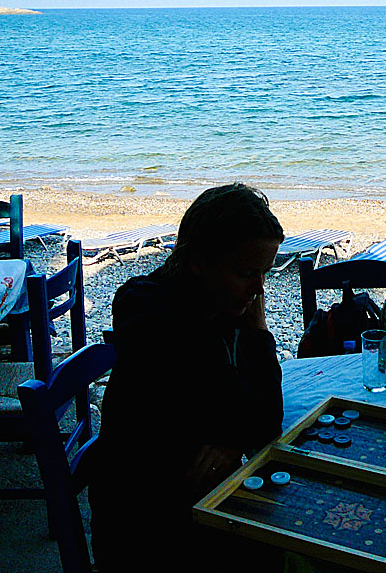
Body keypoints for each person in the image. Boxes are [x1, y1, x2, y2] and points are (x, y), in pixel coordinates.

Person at [89, 183, 286, 572]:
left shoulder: (221, 305)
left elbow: (258, 418)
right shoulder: (151, 315)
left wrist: (231, 434)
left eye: (264, 273)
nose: (259, 290)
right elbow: (262, 419)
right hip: (144, 529)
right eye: (247, 273)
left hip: (193, 500)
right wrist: (259, 333)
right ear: (198, 260)